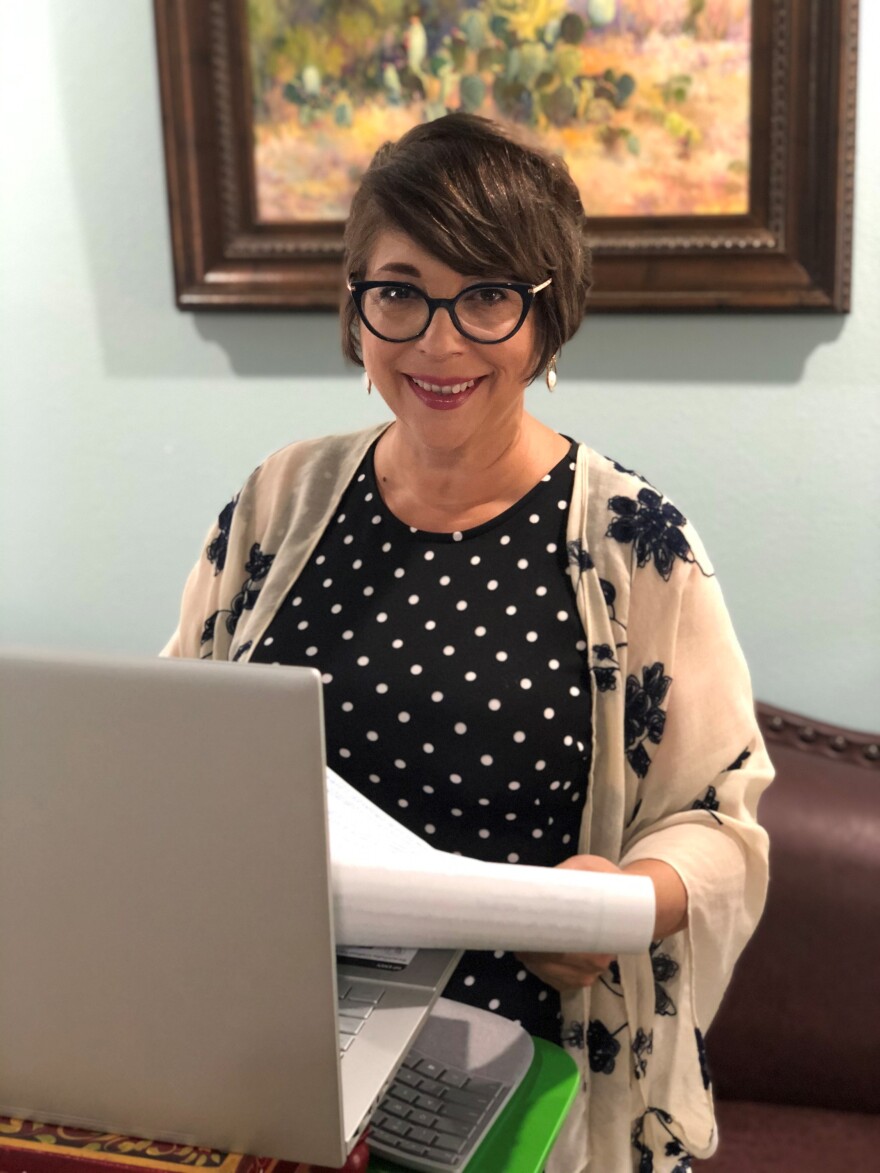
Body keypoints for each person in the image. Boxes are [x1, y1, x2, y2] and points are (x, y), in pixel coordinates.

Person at [163, 113, 772, 1172]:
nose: (438, 343)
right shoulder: (279, 501)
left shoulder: (636, 544)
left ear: (547, 318)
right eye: (399, 291)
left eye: (486, 295)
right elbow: (174, 745)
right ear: (355, 308)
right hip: (281, 1060)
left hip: (528, 1074)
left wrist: (617, 901)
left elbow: (718, 819)